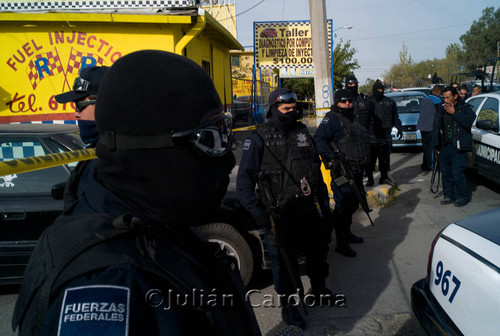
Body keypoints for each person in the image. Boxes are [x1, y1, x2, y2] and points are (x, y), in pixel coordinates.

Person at [12, 50, 261, 336]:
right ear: (150, 148)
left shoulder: (156, 222)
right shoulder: (108, 286)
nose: (226, 159)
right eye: (208, 137)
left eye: (225, 132)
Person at [236, 88, 332, 329]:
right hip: (278, 214)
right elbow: (244, 184)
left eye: (294, 108)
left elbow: (315, 171)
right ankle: (289, 308)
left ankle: (318, 289)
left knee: (318, 251)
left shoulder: (302, 132)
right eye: (286, 109)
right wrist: (259, 214)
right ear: (273, 109)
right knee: (283, 262)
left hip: (307, 208)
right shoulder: (258, 137)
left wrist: (325, 207)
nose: (292, 112)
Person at [313, 89, 369, 258]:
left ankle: (347, 233)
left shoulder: (352, 117)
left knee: (353, 204)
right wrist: (332, 158)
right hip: (342, 171)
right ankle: (341, 242)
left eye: (349, 101)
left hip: (356, 168)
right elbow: (319, 139)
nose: (347, 104)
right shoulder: (332, 118)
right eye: (343, 101)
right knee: (342, 205)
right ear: (337, 102)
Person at [54, 65, 109, 207]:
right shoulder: (97, 150)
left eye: (79, 105)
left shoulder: (112, 159)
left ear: (104, 105)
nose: (76, 113)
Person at [431, 86, 476, 207]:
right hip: (445, 146)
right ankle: (448, 195)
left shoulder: (465, 108)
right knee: (446, 173)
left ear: (455, 97)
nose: (445, 100)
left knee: (457, 172)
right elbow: (436, 127)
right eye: (443, 97)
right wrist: (436, 146)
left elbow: (468, 122)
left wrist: (454, 113)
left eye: (447, 97)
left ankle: (462, 197)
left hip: (459, 146)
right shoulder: (441, 108)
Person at [366, 81, 403, 187]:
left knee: (385, 158)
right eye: (378, 90)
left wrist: (399, 128)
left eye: (381, 89)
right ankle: (370, 178)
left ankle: (384, 177)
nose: (380, 91)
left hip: (385, 134)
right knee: (371, 159)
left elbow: (395, 117)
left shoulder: (389, 102)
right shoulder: (368, 102)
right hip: (372, 134)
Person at [417, 85, 443, 171]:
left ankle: (425, 164)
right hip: (431, 127)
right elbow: (439, 115)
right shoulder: (438, 101)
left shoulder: (424, 99)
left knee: (426, 147)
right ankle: (431, 165)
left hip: (422, 127)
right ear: (439, 92)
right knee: (432, 147)